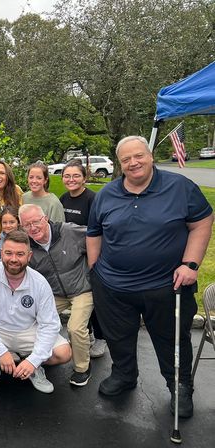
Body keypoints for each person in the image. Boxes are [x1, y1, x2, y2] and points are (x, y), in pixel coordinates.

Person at [87, 135, 213, 418]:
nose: (134, 163)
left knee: (171, 340)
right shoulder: (107, 194)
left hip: (166, 285)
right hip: (113, 286)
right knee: (118, 338)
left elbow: (203, 221)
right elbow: (94, 233)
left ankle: (179, 386)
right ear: (120, 164)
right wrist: (96, 271)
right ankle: (124, 375)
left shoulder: (180, 187)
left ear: (150, 156)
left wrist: (191, 264)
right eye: (126, 159)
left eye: (138, 156)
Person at [0, 230, 71, 400]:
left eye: (20, 254)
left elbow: (49, 324)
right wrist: (0, 352)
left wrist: (35, 360)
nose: (13, 259)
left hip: (28, 330)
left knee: (64, 352)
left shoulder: (39, 283)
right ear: (1, 253)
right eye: (8, 253)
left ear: (29, 256)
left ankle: (33, 368)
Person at [19, 204, 93, 387]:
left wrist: (96, 270)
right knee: (30, 319)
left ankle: (83, 368)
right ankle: (39, 355)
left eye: (36, 221)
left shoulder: (69, 231)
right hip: (54, 293)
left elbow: (97, 238)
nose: (33, 228)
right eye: (27, 225)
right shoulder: (27, 245)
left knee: (75, 328)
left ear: (45, 218)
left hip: (82, 289)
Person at [59, 159, 106, 359]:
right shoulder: (63, 199)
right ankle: (86, 336)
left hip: (91, 256)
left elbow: (99, 230)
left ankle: (101, 337)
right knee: (80, 299)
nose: (71, 179)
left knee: (93, 299)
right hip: (72, 258)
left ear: (84, 178)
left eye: (76, 175)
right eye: (67, 176)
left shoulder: (92, 199)